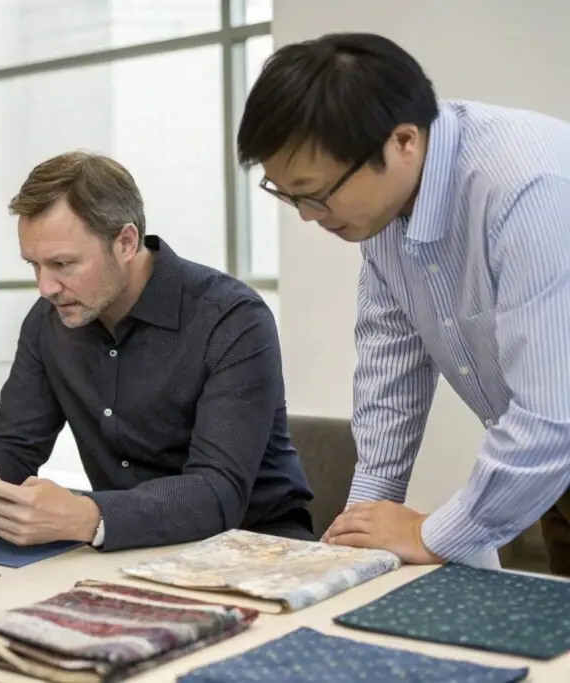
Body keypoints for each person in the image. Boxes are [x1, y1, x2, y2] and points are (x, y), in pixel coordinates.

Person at [0, 150, 314, 551]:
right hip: (125, 552)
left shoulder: (232, 319)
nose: (45, 286)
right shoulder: (48, 321)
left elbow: (218, 492)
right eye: (34, 264)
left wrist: (88, 516)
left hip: (256, 547)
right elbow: (14, 449)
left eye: (62, 264)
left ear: (126, 242)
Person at [235, 32, 570, 575]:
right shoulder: (383, 217)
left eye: (315, 193)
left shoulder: (527, 190)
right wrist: (363, 523)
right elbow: (390, 371)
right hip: (554, 478)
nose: (306, 215)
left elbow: (553, 415)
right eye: (287, 193)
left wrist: (430, 533)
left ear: (403, 141)